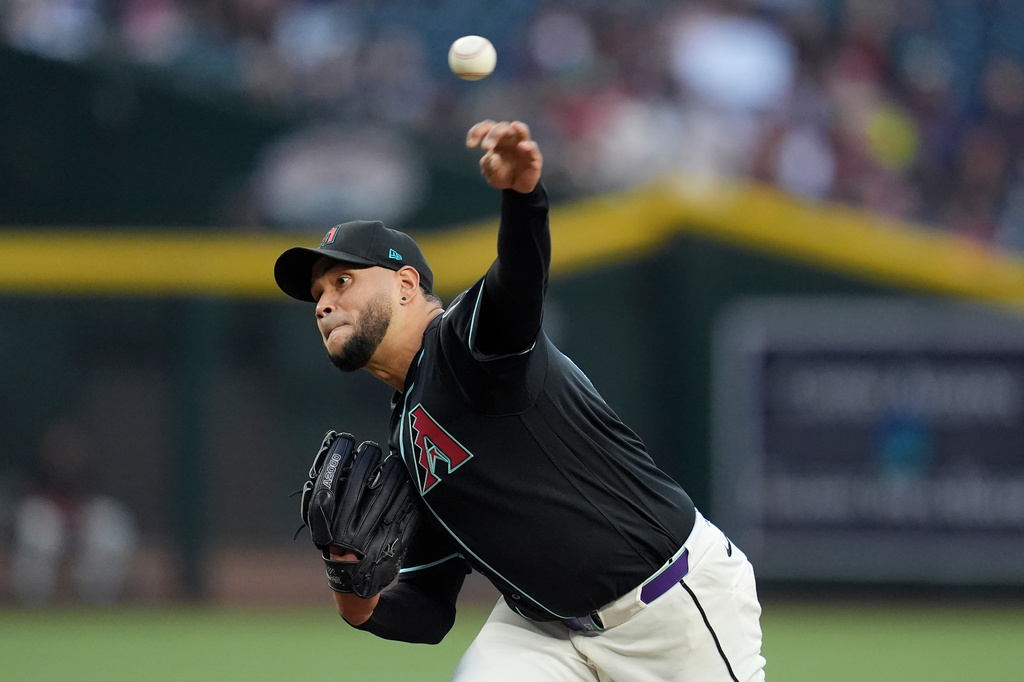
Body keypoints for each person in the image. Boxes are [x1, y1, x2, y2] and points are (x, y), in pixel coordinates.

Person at [273, 120, 766, 681]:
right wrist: (353, 598)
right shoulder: (408, 431)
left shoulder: (466, 343)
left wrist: (523, 195)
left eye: (342, 282)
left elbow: (518, 284)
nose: (323, 303)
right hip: (541, 630)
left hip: (669, 610)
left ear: (406, 285)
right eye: (317, 294)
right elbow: (431, 604)